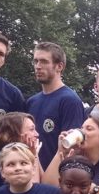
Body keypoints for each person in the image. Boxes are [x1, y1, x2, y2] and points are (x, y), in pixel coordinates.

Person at [27, 42, 86, 170]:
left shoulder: (70, 101)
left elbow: (71, 149)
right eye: (35, 61)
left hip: (57, 178)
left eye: (44, 61)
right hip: (31, 175)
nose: (38, 66)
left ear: (59, 66)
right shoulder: (31, 102)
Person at [0, 112, 41, 192]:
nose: (37, 134)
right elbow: (32, 191)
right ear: (15, 133)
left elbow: (45, 183)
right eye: (31, 129)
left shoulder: (29, 153)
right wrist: (34, 156)